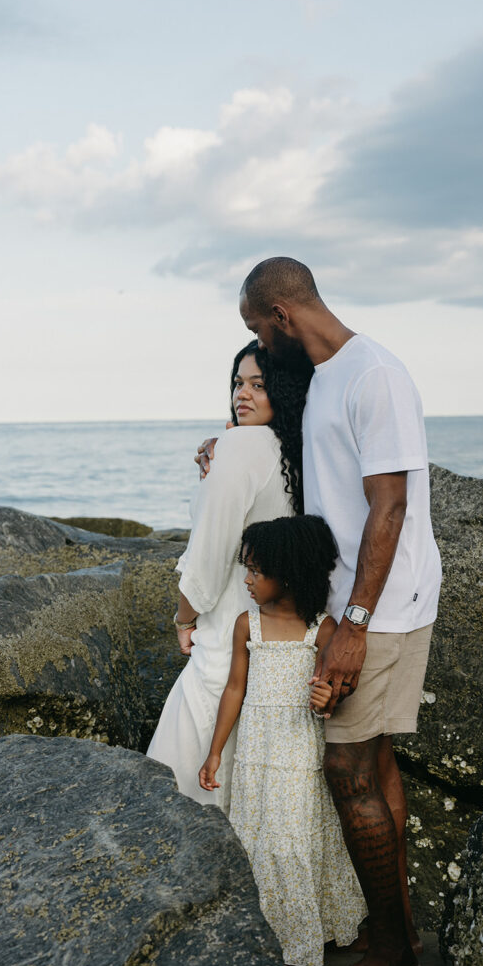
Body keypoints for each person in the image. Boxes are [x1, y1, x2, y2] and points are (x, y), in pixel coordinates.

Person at [198, 257, 442, 966]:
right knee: (376, 765)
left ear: (277, 314)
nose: (258, 346)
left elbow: (389, 507)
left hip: (384, 609)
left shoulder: (374, 374)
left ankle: (394, 956)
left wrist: (355, 624)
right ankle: (387, 925)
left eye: (254, 329)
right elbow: (315, 479)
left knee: (346, 770)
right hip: (355, 607)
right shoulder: (330, 375)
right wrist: (220, 451)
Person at [199, 515, 367, 966]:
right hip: (256, 753)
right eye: (246, 570)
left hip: (299, 753)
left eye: (256, 571)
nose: (248, 580)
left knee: (297, 840)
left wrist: (326, 698)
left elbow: (330, 692)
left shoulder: (323, 629)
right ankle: (275, 941)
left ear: (288, 573)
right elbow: (235, 689)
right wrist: (215, 753)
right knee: (260, 844)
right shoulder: (246, 625)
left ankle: (308, 935)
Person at [147, 340, 312, 812]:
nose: (244, 393)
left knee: (176, 793)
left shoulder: (241, 446)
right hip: (271, 644)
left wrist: (184, 619)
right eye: (238, 383)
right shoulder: (295, 453)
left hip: (222, 644)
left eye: (259, 384)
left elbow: (210, 554)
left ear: (283, 390)